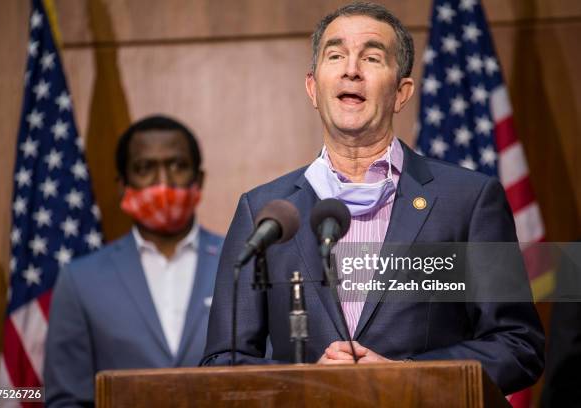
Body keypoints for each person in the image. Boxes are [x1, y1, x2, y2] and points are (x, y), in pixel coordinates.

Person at [201, 2, 544, 395]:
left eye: (371, 57)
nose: (351, 69)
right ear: (313, 88)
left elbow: (519, 345)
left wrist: (403, 374)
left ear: (401, 92)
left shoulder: (469, 201)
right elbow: (221, 360)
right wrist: (307, 383)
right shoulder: (265, 213)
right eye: (335, 55)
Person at [45, 115, 223, 407]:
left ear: (198, 179)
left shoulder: (243, 261)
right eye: (144, 168)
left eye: (177, 166)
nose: (163, 182)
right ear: (122, 185)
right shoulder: (79, 280)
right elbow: (66, 399)